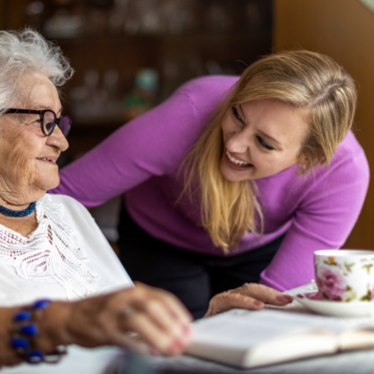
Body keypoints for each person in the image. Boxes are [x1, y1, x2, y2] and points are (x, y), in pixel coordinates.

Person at [0, 29, 293, 372]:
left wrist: (204, 328)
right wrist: (64, 321)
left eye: (59, 122)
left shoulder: (67, 212)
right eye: (43, 122)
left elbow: (130, 343)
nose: (62, 143)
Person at [53, 47, 369, 319]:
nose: (234, 145)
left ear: (308, 159)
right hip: (161, 239)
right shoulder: (189, 112)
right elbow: (59, 194)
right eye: (237, 115)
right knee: (171, 344)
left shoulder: (343, 173)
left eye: (264, 143)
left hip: (259, 247)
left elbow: (277, 305)